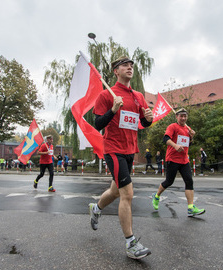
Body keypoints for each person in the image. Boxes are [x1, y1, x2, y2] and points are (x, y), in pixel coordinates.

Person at [88, 56, 153, 259]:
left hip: (130, 150)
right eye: (125, 65)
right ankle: (131, 243)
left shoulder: (138, 96)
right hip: (113, 149)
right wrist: (113, 109)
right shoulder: (107, 95)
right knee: (127, 194)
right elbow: (97, 124)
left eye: (131, 65)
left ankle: (96, 208)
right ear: (116, 71)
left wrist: (148, 119)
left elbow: (141, 122)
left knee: (115, 191)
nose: (129, 67)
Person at [152, 108, 205, 217]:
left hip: (184, 160)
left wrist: (192, 137)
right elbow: (165, 139)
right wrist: (175, 145)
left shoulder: (188, 128)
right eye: (181, 116)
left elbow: (187, 144)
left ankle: (191, 208)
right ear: (177, 117)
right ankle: (156, 196)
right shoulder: (172, 127)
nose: (183, 118)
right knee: (169, 182)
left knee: (189, 181)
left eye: (185, 116)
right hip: (172, 158)